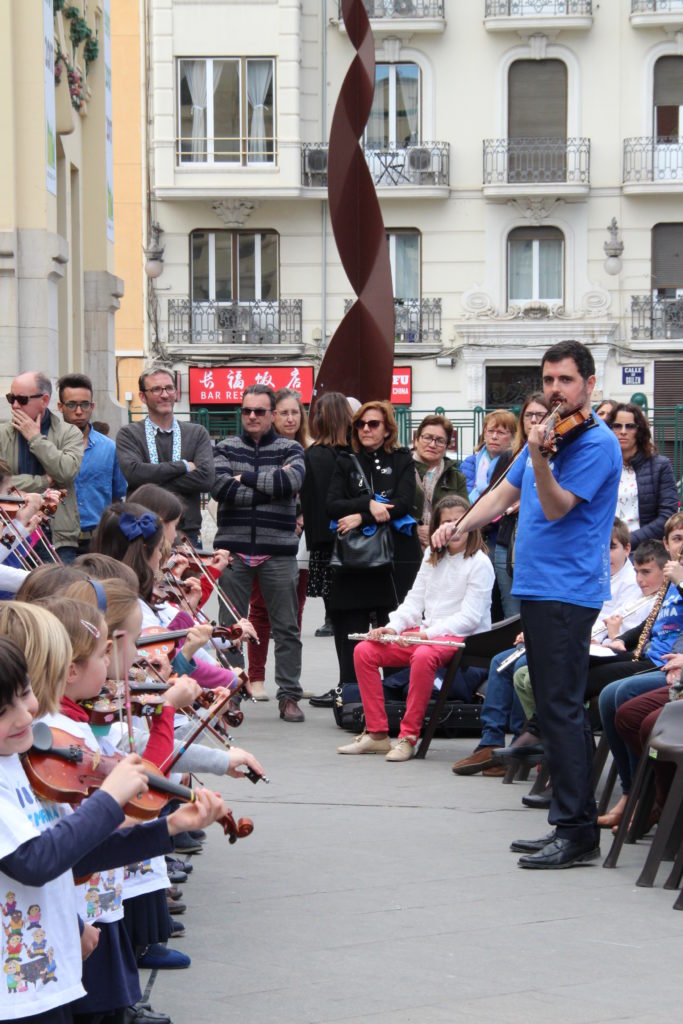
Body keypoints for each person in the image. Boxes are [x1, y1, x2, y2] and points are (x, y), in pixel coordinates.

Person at [433, 340, 622, 869]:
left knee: (561, 709)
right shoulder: (550, 436)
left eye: (565, 380)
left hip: (568, 589)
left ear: (588, 383)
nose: (555, 390)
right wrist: (458, 525)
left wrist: (538, 453)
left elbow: (559, 506)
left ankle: (577, 829)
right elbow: (500, 494)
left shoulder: (596, 443)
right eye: (548, 380)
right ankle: (569, 822)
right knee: (553, 705)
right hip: (537, 585)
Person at [452, 517, 647, 775]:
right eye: (600, 547)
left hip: (598, 648)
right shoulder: (590, 575)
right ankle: (492, 742)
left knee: (528, 666)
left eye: (611, 547)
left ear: (627, 549)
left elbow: (626, 630)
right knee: (501, 662)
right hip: (570, 641)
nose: (605, 554)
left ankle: (537, 745)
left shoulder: (633, 582)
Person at [338, 495, 493, 761]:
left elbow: (469, 618)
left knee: (422, 655)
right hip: (430, 635)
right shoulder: (431, 556)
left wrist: (425, 635)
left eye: (459, 521)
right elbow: (414, 601)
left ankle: (408, 737)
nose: (453, 527)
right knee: (365, 650)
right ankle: (377, 734)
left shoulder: (480, 563)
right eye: (446, 522)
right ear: (436, 527)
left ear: (471, 524)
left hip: (461, 639)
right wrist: (392, 627)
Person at [211, 385, 306, 722]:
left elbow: (290, 484)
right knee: (230, 629)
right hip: (233, 551)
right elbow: (220, 487)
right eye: (247, 410)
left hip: (277, 552)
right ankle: (232, 693)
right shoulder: (224, 447)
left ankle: (290, 695)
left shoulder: (290, 447)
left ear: (271, 414)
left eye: (260, 411)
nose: (252, 416)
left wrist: (246, 479)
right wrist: (269, 490)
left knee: (286, 628)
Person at [326, 400, 422, 702]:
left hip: (393, 560)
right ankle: (353, 698)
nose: (366, 429)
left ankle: (394, 697)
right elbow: (332, 505)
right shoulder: (345, 460)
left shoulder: (402, 459)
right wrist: (367, 505)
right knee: (350, 630)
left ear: (387, 429)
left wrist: (361, 517)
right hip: (354, 560)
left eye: (374, 424)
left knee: (392, 628)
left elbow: (404, 503)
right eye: (361, 424)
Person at [594, 513, 683, 830]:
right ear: (667, 543)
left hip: (667, 666)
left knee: (622, 695)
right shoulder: (669, 584)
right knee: (607, 696)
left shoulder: (678, 579)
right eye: (676, 539)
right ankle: (633, 791)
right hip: (656, 658)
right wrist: (619, 640)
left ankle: (649, 795)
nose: (681, 546)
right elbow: (650, 625)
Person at [246, 388, 310, 701]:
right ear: (273, 416)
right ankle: (254, 677)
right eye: (283, 412)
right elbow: (263, 487)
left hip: (300, 542)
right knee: (259, 610)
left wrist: (302, 518)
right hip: (265, 540)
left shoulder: (308, 451)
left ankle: (290, 680)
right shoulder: (263, 449)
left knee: (293, 612)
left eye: (294, 412)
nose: (289, 418)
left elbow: (312, 494)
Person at [115, 367, 215, 547]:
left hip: (186, 534)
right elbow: (134, 473)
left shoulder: (197, 433)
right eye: (156, 389)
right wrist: (183, 466)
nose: (164, 395)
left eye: (169, 388)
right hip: (142, 533)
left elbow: (206, 479)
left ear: (176, 393)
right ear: (143, 396)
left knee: (188, 577)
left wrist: (148, 483)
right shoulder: (129, 434)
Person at [302, 393, 353, 708]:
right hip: (359, 545)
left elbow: (313, 505)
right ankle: (353, 685)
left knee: (340, 620)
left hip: (327, 548)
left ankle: (344, 686)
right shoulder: (354, 453)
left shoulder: (315, 455)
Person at [0, 371, 83, 560]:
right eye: (11, 398)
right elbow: (0, 482)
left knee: (58, 590)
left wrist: (35, 439)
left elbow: (66, 472)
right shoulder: (2, 433)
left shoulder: (69, 433)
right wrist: (41, 481)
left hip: (56, 537)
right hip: (10, 531)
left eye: (21, 399)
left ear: (44, 400)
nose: (14, 405)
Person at [56, 373, 128, 559]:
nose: (79, 411)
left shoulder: (109, 448)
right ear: (60, 407)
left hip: (98, 540)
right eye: (71, 404)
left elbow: (117, 495)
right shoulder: (48, 447)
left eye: (84, 404)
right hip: (58, 541)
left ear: (92, 406)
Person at [493, 393, 550, 618]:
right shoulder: (508, 455)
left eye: (540, 415)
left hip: (541, 542)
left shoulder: (555, 453)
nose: (534, 420)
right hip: (508, 541)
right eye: (529, 415)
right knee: (512, 612)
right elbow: (495, 495)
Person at [605, 401, 678, 548]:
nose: (623, 431)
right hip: (604, 547)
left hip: (644, 550)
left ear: (640, 431)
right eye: (617, 426)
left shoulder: (660, 466)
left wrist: (627, 541)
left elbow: (667, 515)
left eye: (630, 426)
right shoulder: (601, 466)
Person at [412, 414, 468, 554]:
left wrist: (436, 529)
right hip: (406, 546)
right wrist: (414, 529)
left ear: (447, 446)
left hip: (444, 548)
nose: (432, 444)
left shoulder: (455, 477)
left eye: (440, 440)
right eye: (427, 437)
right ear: (416, 440)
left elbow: (464, 516)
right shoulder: (401, 469)